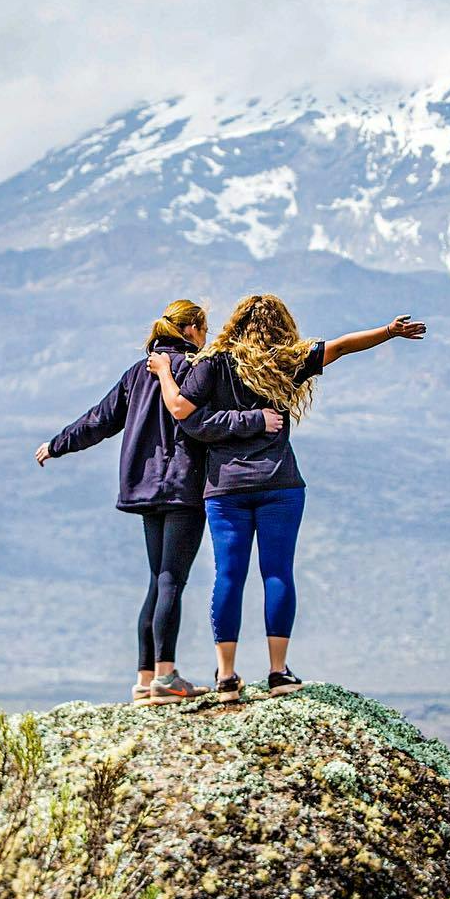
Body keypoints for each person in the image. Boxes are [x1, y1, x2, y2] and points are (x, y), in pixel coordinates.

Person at [149, 294, 425, 698]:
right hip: (280, 484)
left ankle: (226, 676)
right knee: (277, 572)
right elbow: (344, 345)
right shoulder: (285, 361)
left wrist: (164, 373)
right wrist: (389, 331)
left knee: (229, 575)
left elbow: (184, 412)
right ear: (281, 325)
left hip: (225, 489)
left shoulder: (211, 363)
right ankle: (278, 673)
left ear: (236, 324)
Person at [36, 299, 280, 703]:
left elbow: (99, 419)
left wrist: (56, 445)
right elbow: (202, 424)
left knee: (157, 580)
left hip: (144, 487)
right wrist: (256, 420)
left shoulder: (137, 373)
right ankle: (166, 678)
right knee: (171, 581)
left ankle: (145, 678)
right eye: (205, 329)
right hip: (182, 487)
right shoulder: (197, 370)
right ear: (194, 328)